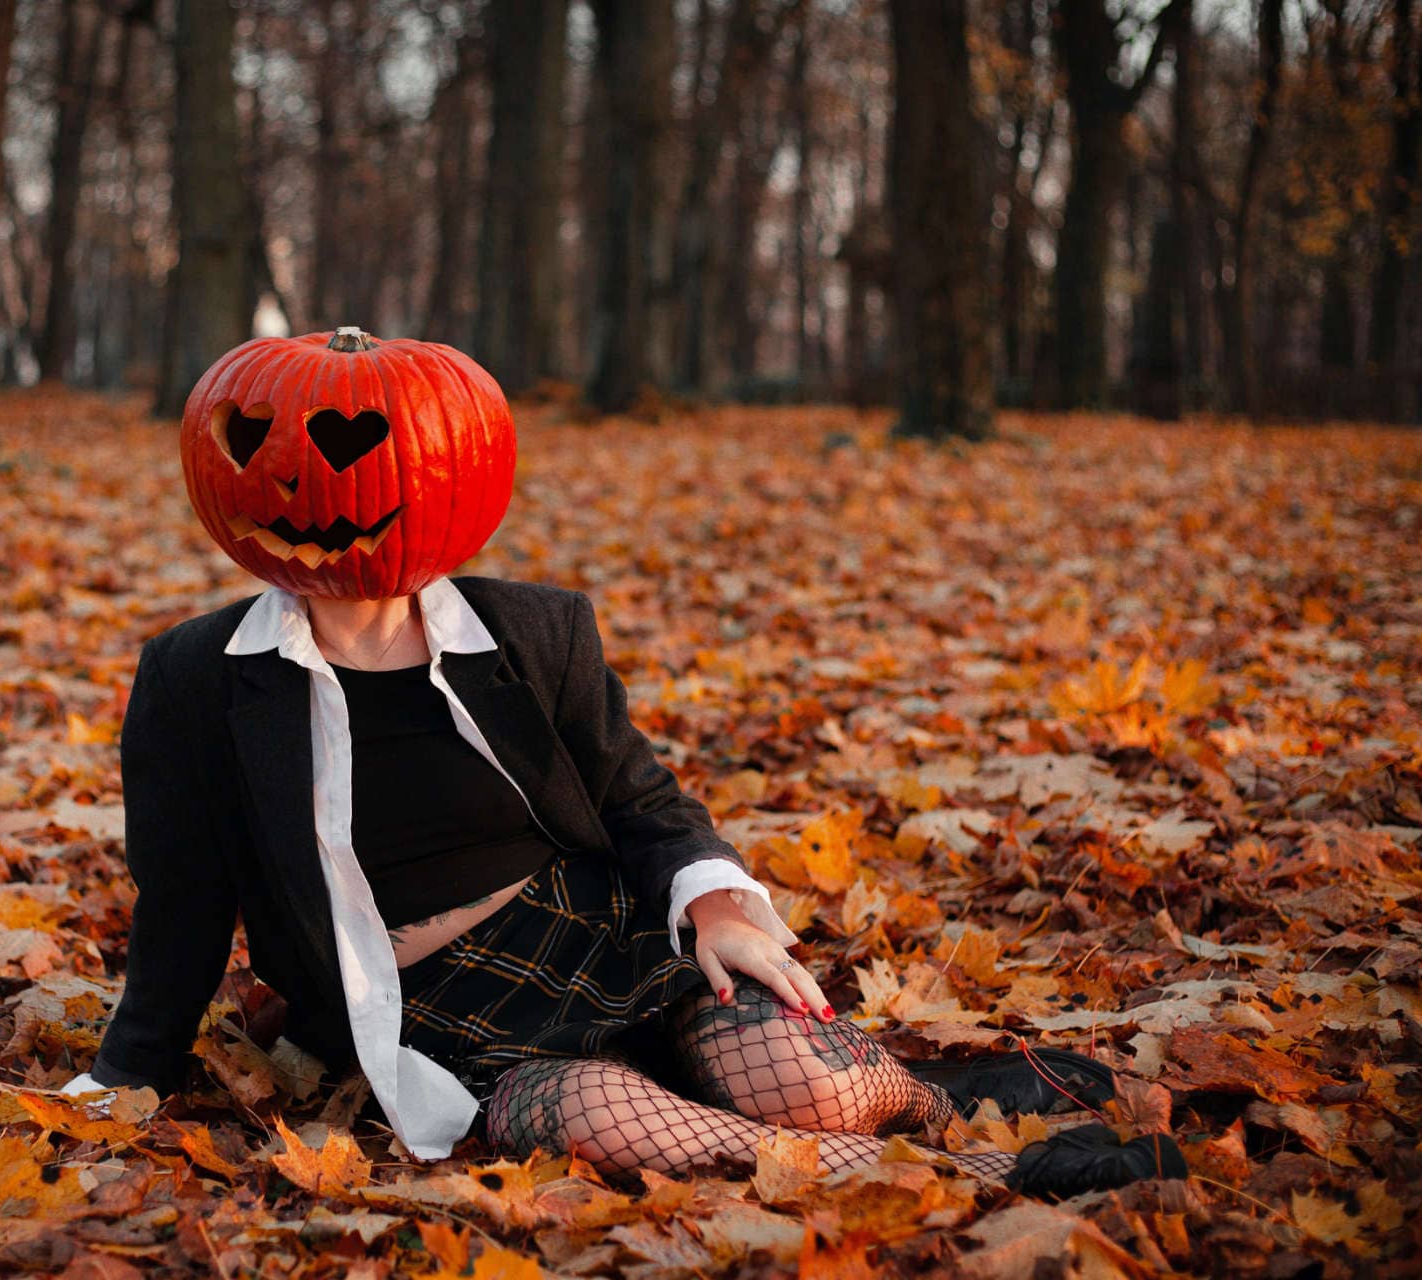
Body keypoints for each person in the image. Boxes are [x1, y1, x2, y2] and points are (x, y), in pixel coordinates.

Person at [63, 328, 1183, 1198]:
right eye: (264, 450)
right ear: (227, 472)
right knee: (608, 1122)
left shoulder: (535, 633)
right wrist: (128, 1072)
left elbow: (640, 799)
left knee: (813, 1084)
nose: (323, 493)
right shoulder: (196, 677)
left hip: (596, 931)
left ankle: (940, 1100)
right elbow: (183, 905)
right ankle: (989, 1173)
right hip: (431, 1012)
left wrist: (718, 900)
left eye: (361, 457)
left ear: (453, 471)